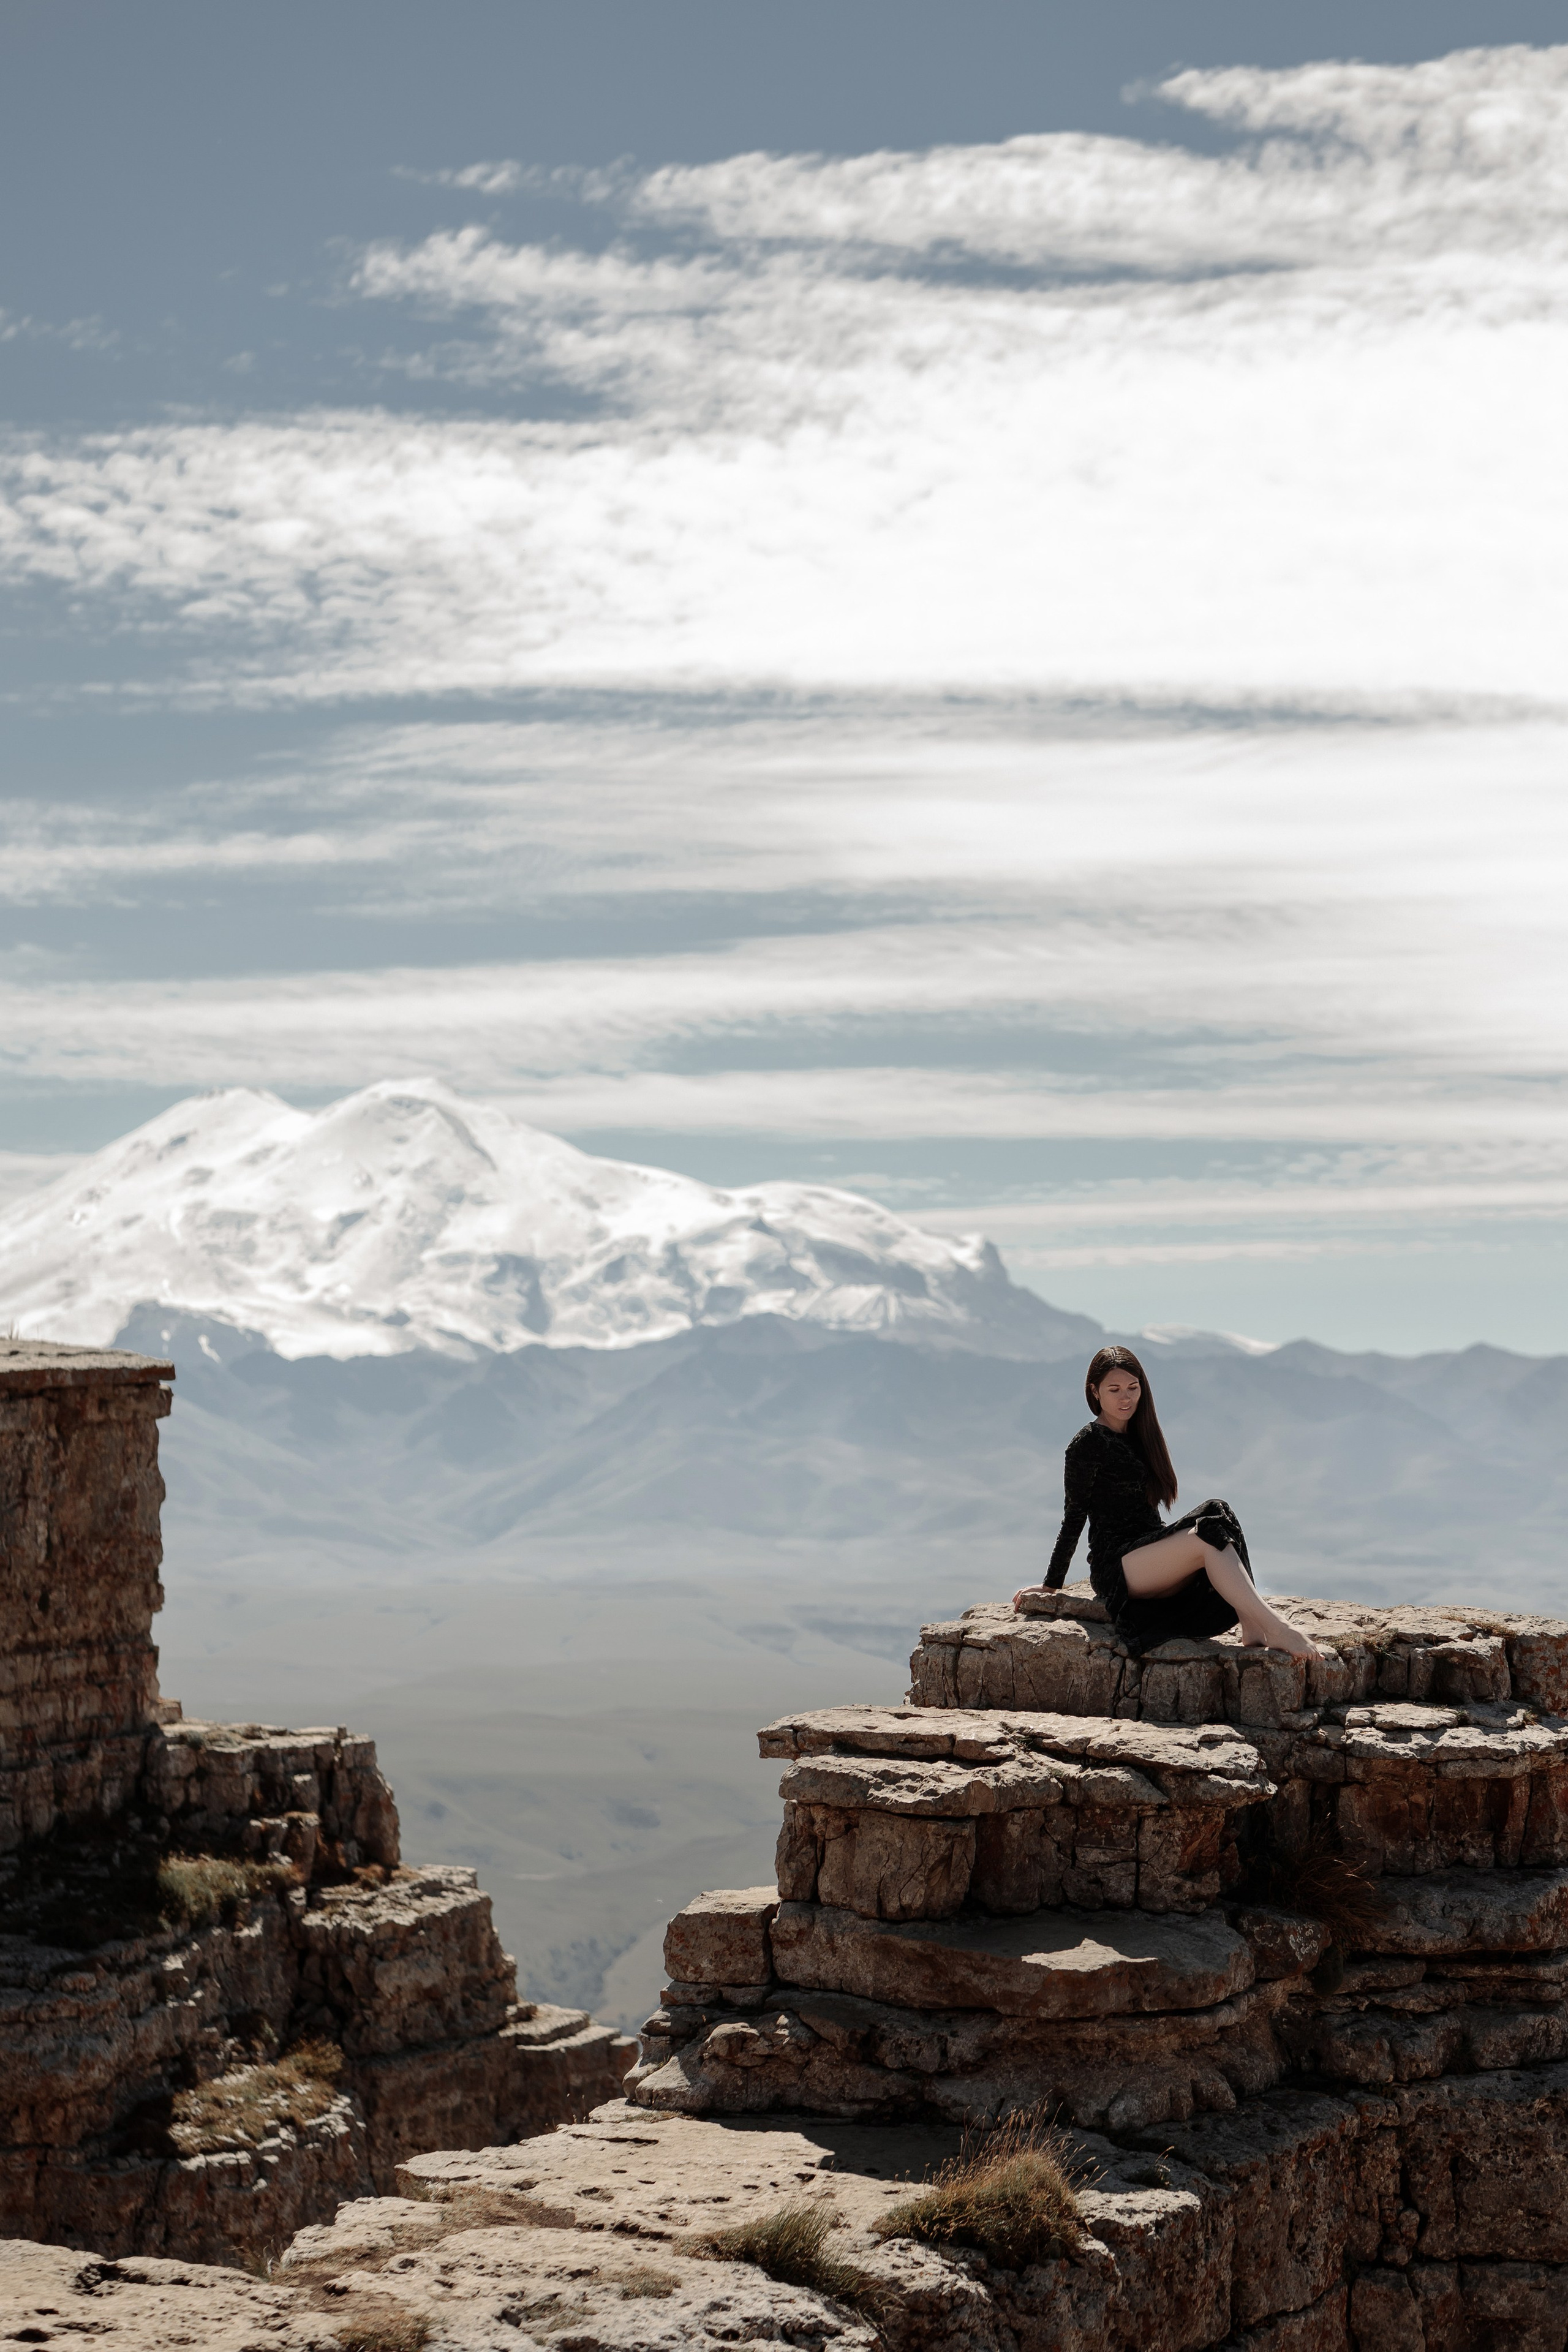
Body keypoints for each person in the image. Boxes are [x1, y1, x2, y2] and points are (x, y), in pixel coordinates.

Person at [1011, 1344, 1323, 1659]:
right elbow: (1074, 1516)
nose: (1126, 1398)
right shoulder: (1087, 1444)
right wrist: (1051, 1585)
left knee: (1218, 1511)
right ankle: (1278, 1628)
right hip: (1118, 1568)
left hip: (1147, 1550)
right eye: (1115, 1389)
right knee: (1208, 1534)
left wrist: (1172, 1545)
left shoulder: (1140, 1435)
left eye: (1134, 1388)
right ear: (1095, 1392)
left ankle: (1251, 1624)